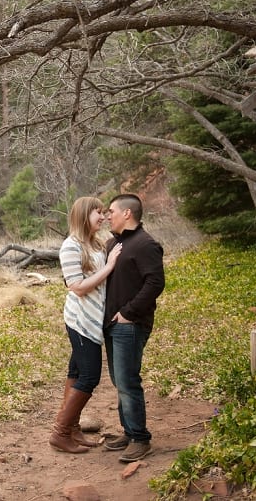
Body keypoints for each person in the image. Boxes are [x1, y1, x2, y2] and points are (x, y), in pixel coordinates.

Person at [50, 196, 122, 453]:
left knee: (76, 372)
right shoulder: (71, 246)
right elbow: (77, 287)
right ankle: (60, 432)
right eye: (97, 213)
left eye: (104, 213)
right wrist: (110, 265)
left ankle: (73, 429)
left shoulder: (96, 243)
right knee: (90, 376)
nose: (102, 217)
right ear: (83, 215)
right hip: (81, 319)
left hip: (93, 318)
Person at [102, 193, 165, 463]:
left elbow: (155, 283)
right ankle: (129, 432)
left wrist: (128, 313)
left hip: (131, 324)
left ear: (127, 214)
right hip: (112, 325)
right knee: (119, 381)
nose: (108, 216)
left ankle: (140, 439)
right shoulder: (113, 244)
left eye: (111, 211)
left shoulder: (145, 244)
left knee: (128, 381)